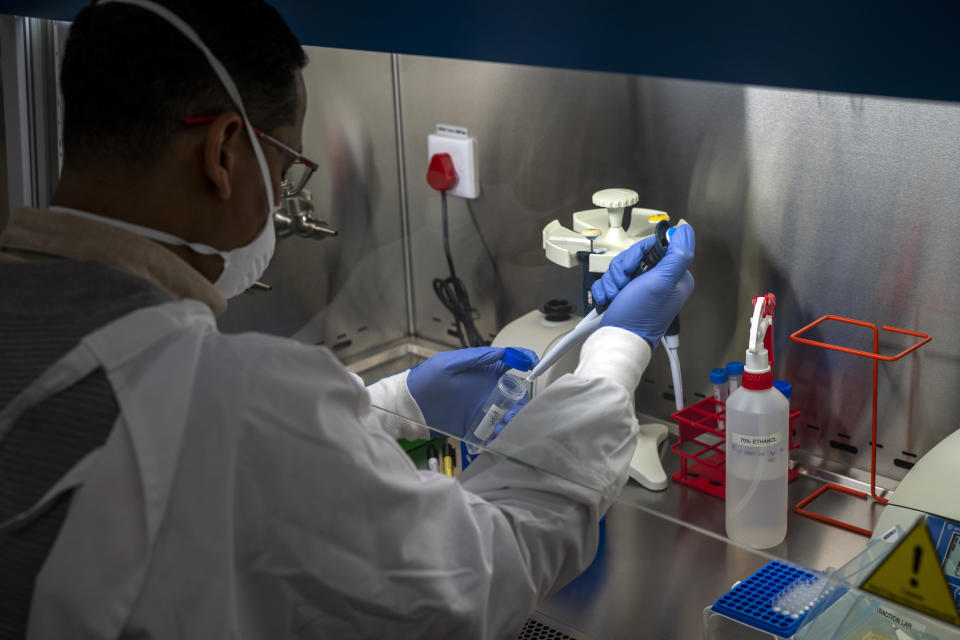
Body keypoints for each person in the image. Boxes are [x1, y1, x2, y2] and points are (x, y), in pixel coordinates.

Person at [0, 0, 695, 638]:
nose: (281, 197)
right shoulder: (228, 399)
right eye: (285, 167)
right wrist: (617, 352)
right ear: (222, 153)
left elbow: (221, 449)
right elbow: (477, 577)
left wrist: (398, 402)